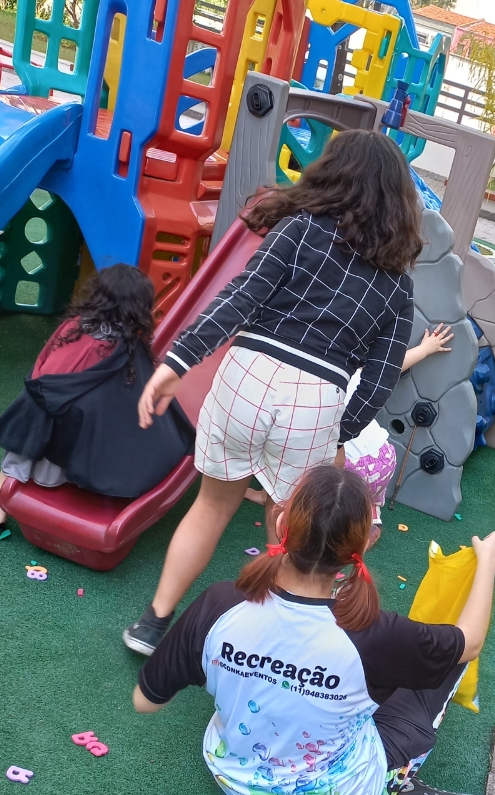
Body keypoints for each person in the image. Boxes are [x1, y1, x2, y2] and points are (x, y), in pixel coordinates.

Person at [124, 130, 422, 656]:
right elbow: (380, 376)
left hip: (247, 375)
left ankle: (153, 620)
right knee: (289, 529)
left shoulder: (299, 229)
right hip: (317, 400)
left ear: (332, 174)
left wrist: (177, 361)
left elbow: (239, 299)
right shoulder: (396, 284)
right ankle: (266, 644)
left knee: (211, 506)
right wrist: (341, 432)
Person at [132, 465, 495, 795]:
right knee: (436, 673)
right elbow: (469, 642)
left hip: (231, 777)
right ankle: (396, 784)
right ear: (361, 547)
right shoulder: (377, 635)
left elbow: (145, 701)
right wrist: (486, 562)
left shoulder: (220, 603)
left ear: (281, 526)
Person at [0, 264, 192, 538]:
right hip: (71, 463)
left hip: (37, 436)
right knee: (69, 416)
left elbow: (42, 370)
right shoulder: (126, 348)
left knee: (32, 415)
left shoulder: (73, 328)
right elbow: (124, 405)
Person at [343, 324, 453, 543]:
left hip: (352, 469)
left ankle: (345, 527)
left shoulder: (324, 388)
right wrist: (426, 348)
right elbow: (393, 366)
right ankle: (372, 517)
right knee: (367, 492)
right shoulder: (358, 374)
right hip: (383, 458)